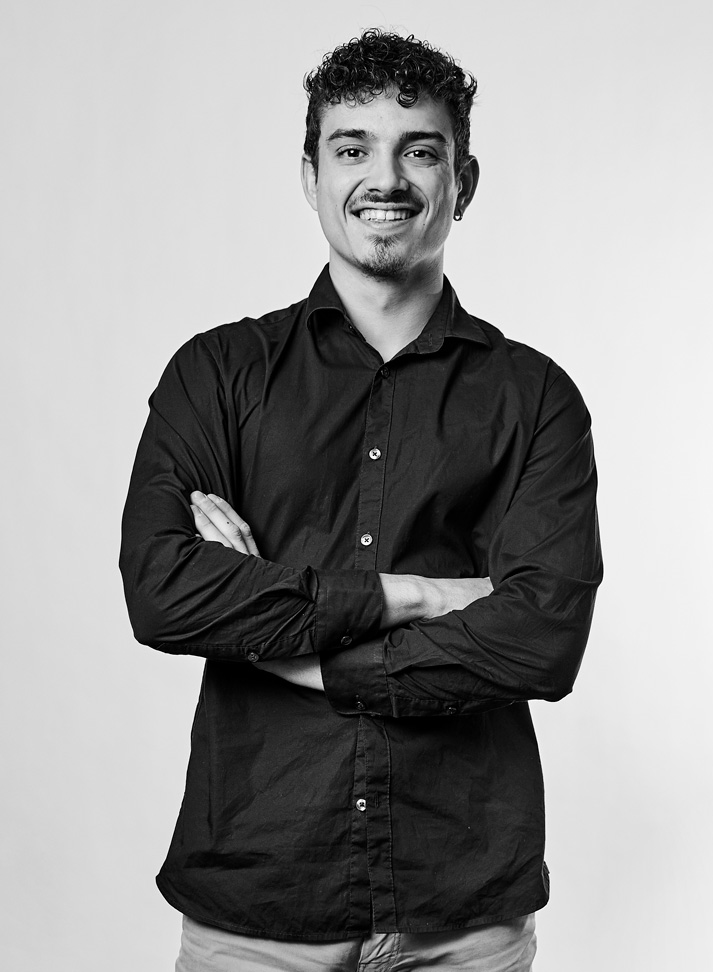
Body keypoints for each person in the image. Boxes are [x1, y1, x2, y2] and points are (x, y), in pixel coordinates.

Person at [120, 28, 602, 972]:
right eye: (352, 149)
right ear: (310, 177)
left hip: (464, 911)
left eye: (419, 151)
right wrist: (414, 594)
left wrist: (286, 637)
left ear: (463, 180)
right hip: (258, 903)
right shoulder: (216, 375)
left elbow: (541, 639)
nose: (385, 179)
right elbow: (165, 594)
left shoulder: (536, 398)